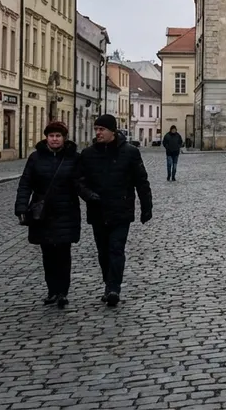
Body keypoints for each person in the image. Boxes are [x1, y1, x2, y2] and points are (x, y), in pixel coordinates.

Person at [14, 121, 98, 309]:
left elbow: (79, 183)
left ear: (64, 138)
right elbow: (25, 183)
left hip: (65, 210)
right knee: (47, 254)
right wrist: (21, 207)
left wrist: (91, 197)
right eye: (51, 136)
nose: (54, 139)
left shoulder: (73, 158)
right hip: (42, 213)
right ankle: (52, 290)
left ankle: (62, 292)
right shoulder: (35, 158)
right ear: (46, 137)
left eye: (58, 136)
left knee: (62, 252)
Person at [79, 114, 152, 307]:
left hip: (121, 210)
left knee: (116, 250)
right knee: (103, 252)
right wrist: (87, 195)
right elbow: (79, 181)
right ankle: (108, 283)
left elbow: (141, 181)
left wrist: (147, 207)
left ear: (113, 131)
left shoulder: (130, 152)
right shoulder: (88, 154)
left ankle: (114, 288)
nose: (98, 133)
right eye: (96, 129)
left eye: (102, 129)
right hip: (97, 210)